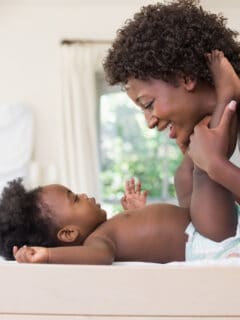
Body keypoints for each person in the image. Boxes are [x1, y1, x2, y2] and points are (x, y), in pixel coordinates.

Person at [103, 0, 240, 208]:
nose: (149, 122)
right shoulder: (213, 135)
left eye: (148, 104)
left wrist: (215, 165)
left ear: (186, 78)